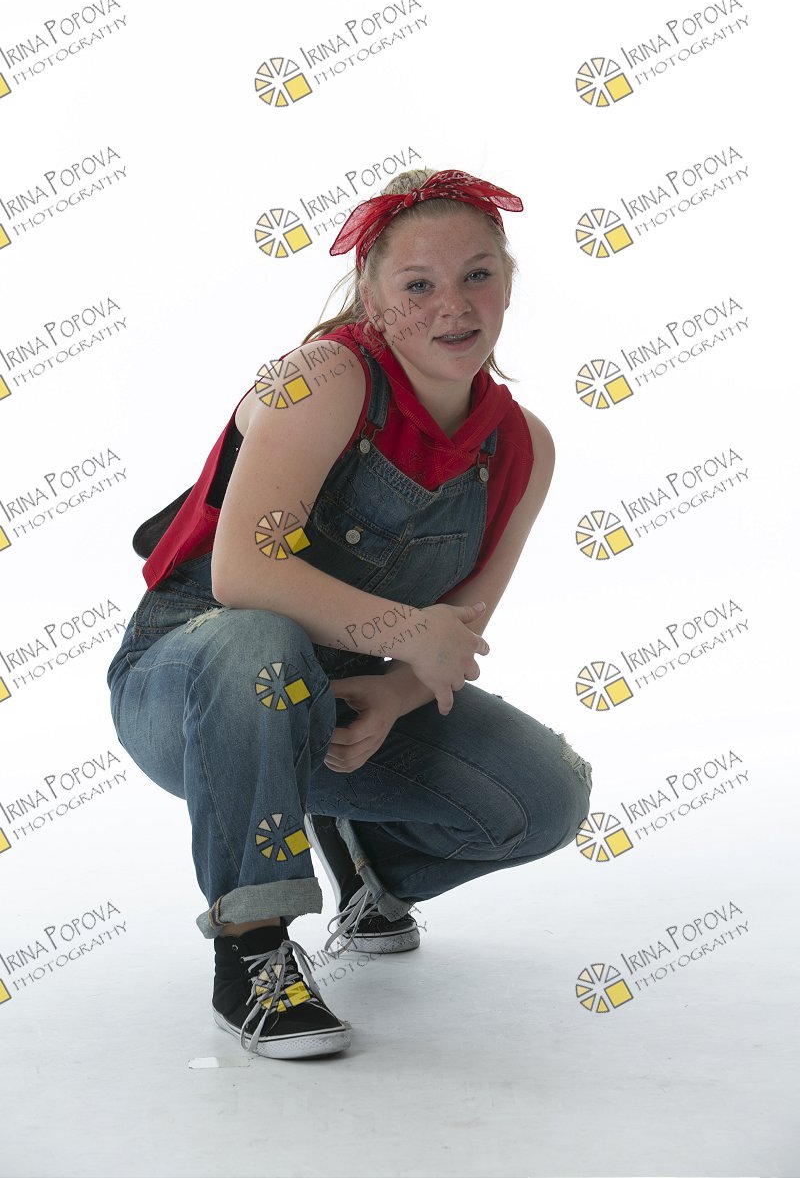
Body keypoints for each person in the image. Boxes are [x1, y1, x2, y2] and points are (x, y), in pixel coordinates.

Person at [106, 167, 593, 1062]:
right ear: (372, 297)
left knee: (545, 797)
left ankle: (368, 860)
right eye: (419, 285)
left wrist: (396, 697)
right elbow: (243, 572)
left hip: (339, 706)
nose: (453, 306)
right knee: (260, 642)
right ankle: (252, 952)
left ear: (509, 282)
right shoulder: (324, 378)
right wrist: (408, 636)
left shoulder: (523, 446)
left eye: (478, 275)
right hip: (194, 683)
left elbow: (458, 627)